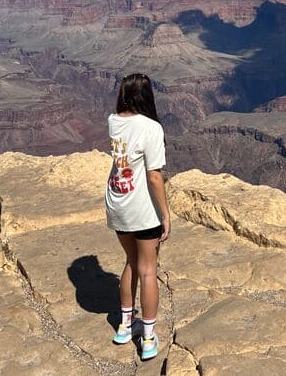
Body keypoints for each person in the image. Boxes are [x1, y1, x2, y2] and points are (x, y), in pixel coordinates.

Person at [104, 73, 170, 361]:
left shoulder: (113, 121)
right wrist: (165, 215)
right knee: (147, 270)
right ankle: (148, 338)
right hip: (142, 209)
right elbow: (154, 177)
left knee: (131, 262)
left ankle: (124, 326)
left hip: (117, 202)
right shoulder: (151, 128)